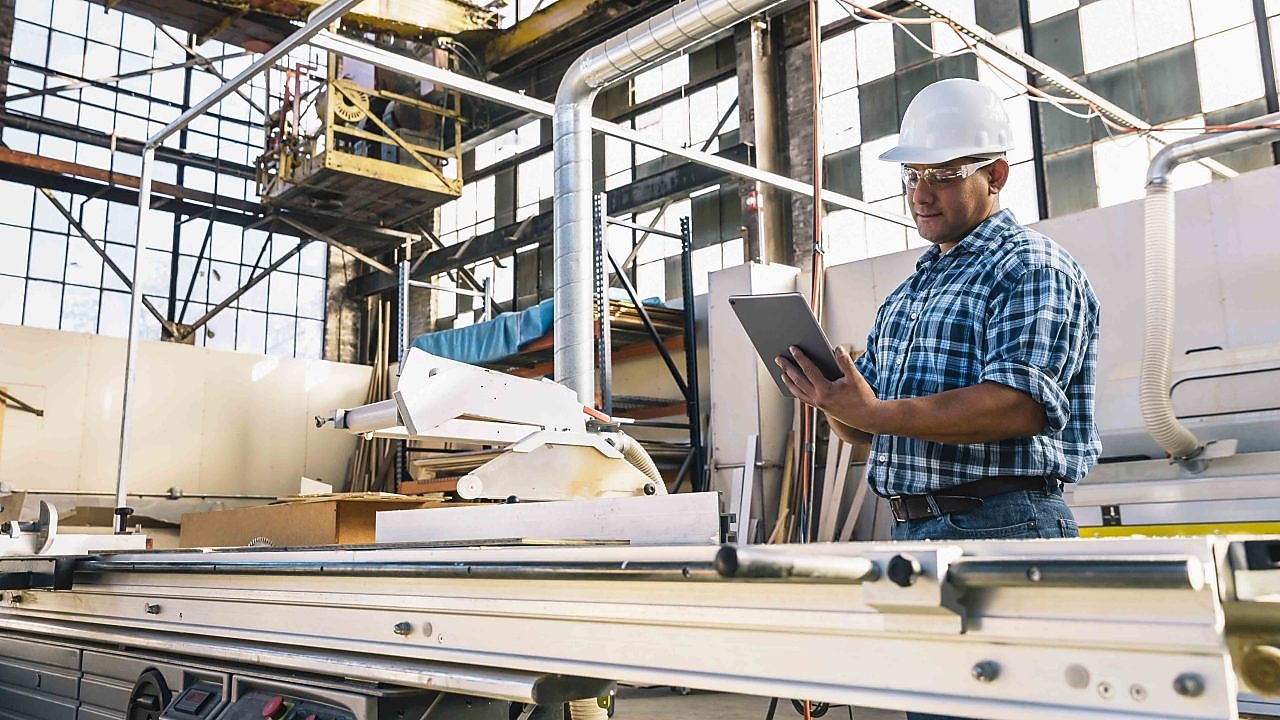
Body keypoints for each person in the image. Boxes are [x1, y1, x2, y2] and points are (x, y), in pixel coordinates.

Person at [778, 76, 1100, 720]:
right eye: (913, 175)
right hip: (914, 529)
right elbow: (877, 431)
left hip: (999, 528)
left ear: (998, 174)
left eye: (945, 175)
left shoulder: (1029, 266)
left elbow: (1019, 404)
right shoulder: (911, 292)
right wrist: (839, 405)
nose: (921, 194)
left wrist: (874, 411)